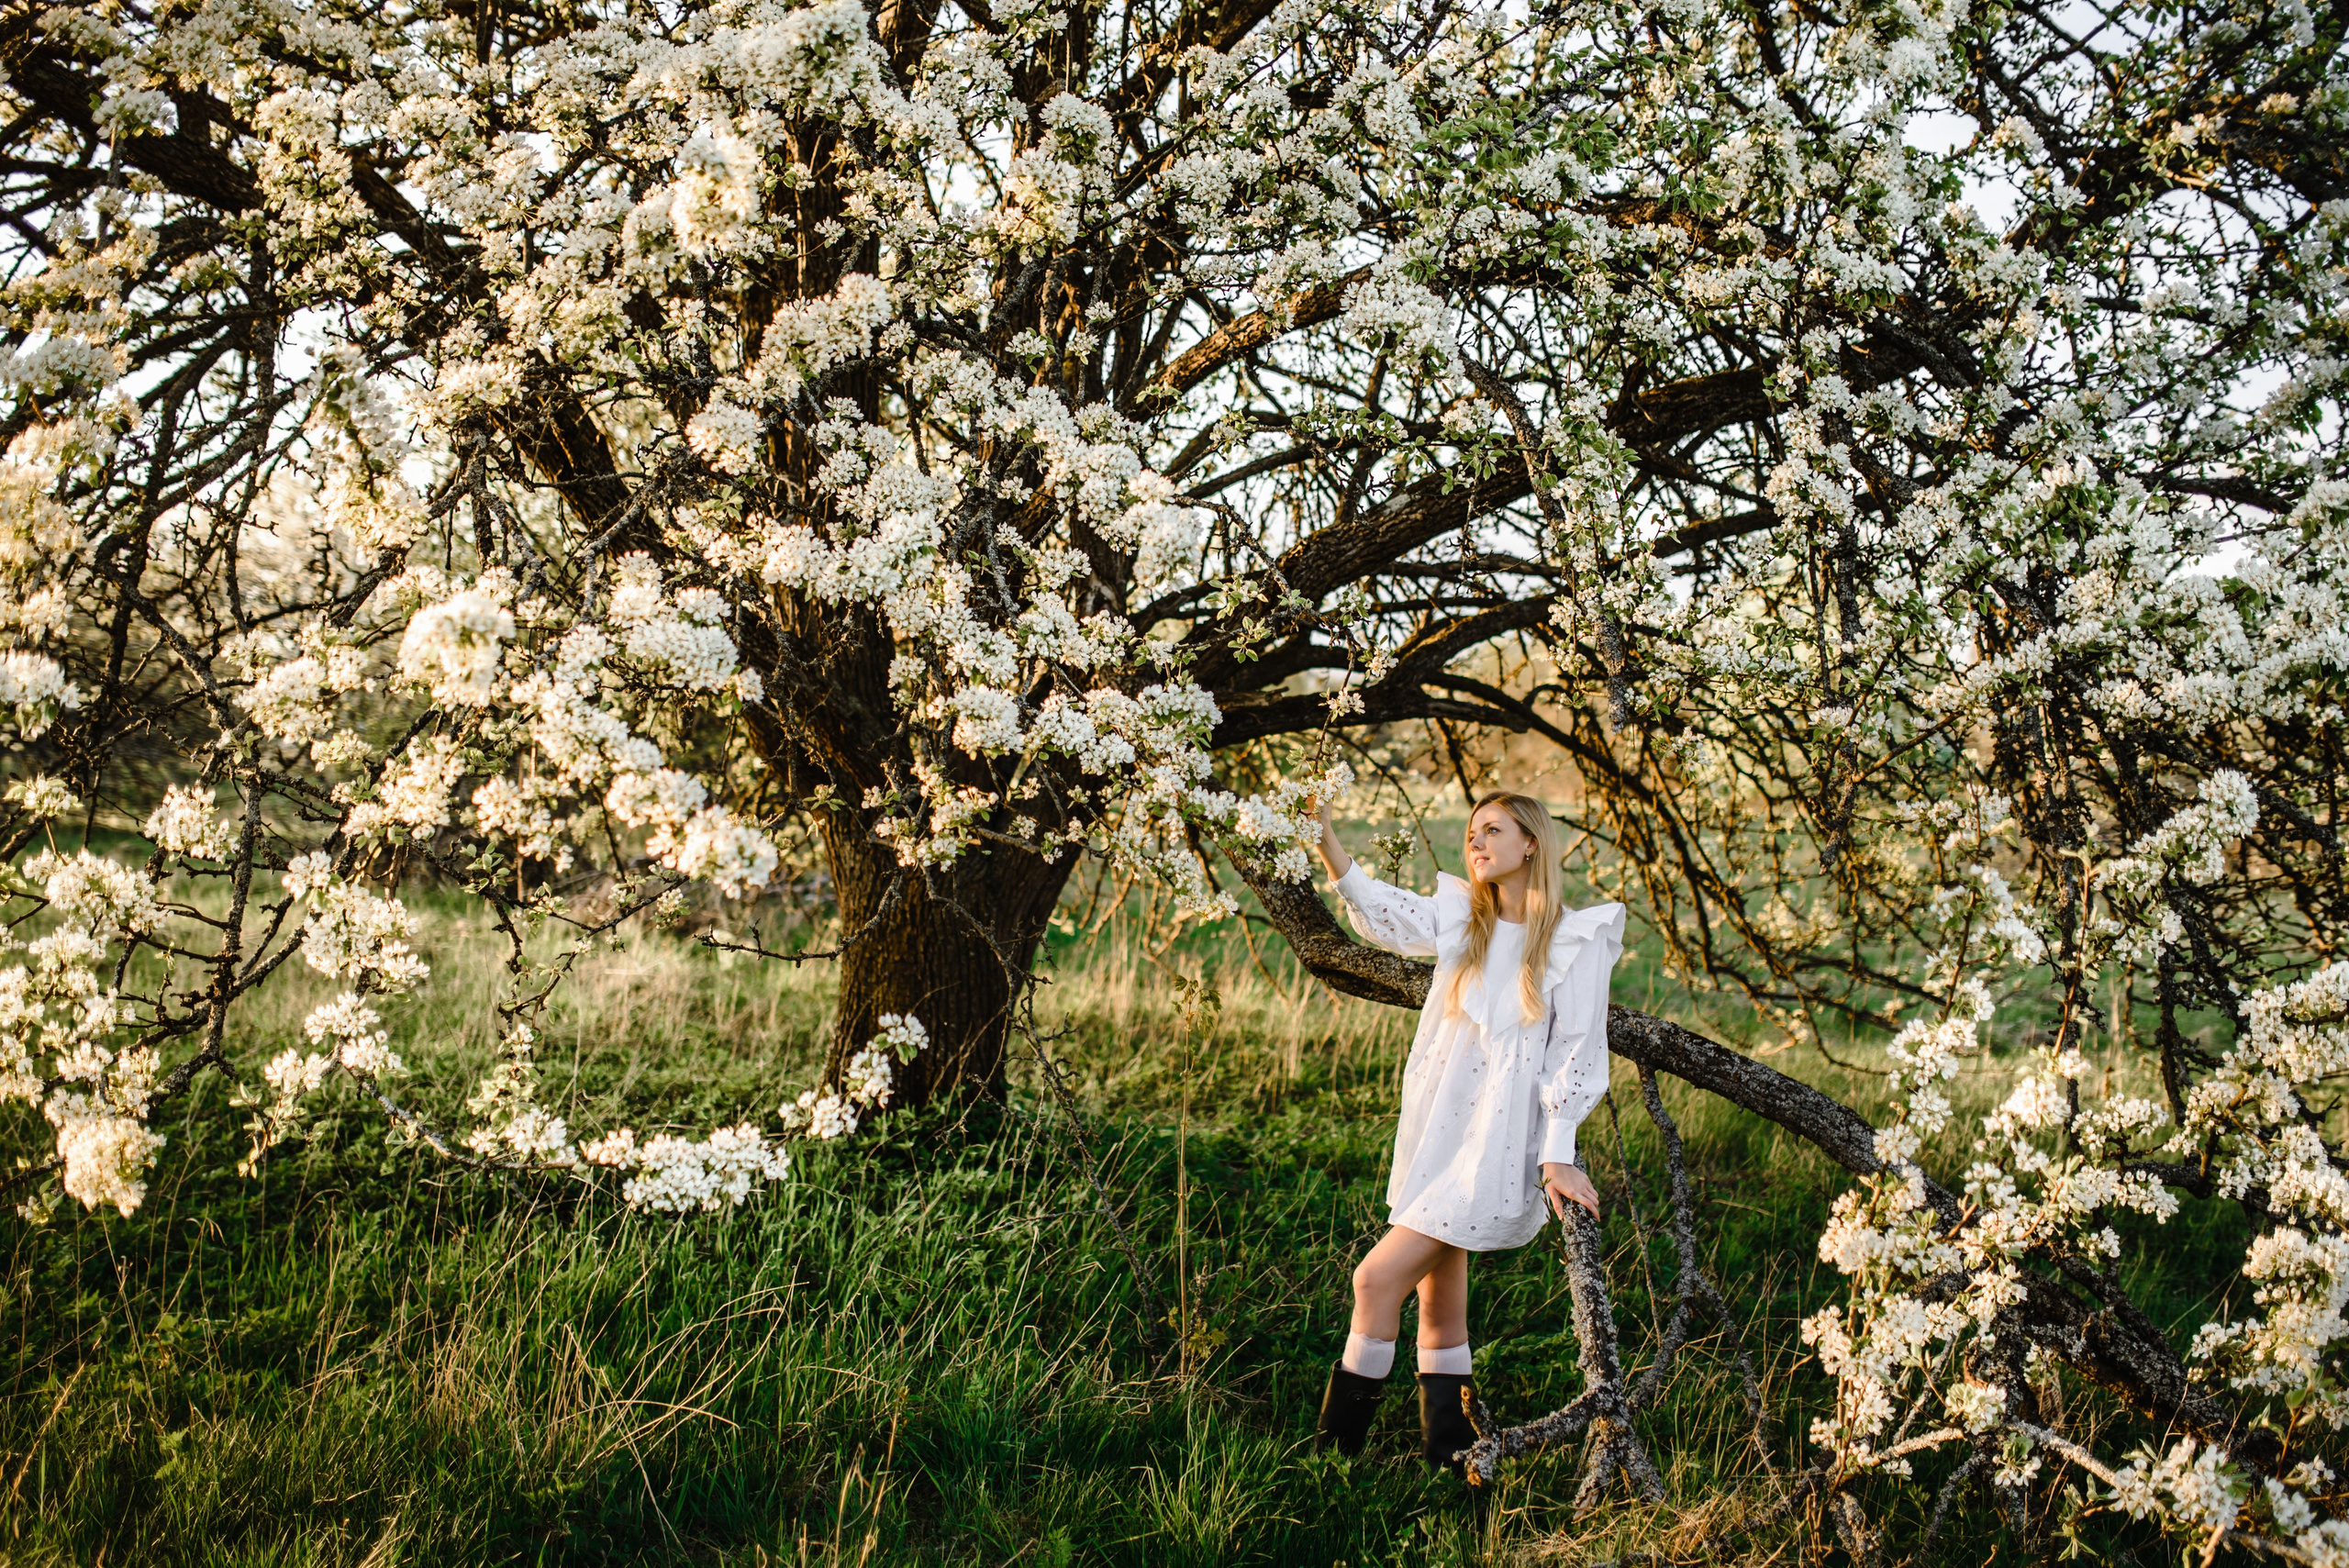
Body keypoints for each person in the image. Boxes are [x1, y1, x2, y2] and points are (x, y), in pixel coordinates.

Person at [1309, 790, 1625, 1473]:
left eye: (1493, 830)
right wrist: (1326, 840)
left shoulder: (1572, 940)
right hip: (1436, 1133)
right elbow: (1384, 910)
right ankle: (1450, 1454)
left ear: (1530, 844)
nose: (1475, 842)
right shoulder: (1465, 922)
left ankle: (1332, 1460)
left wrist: (1559, 1155)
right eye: (1472, 831)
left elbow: (1577, 1049)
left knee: (1373, 1281)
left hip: (1492, 1149)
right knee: (1441, 1303)